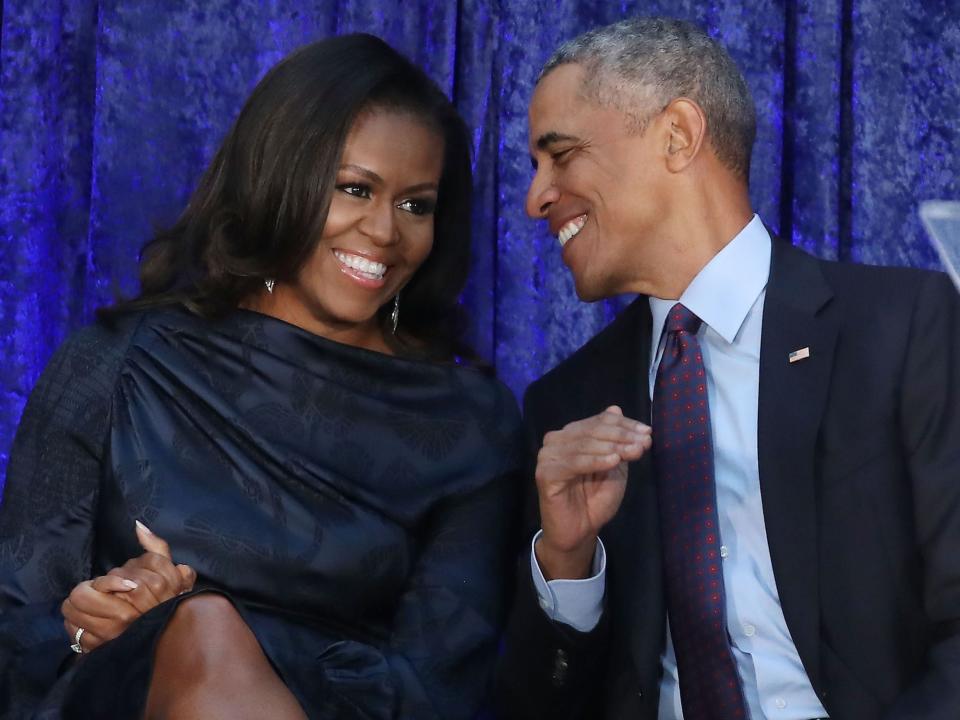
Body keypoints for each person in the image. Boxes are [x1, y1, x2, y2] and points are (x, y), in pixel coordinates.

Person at [0, 33, 523, 720]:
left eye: (414, 204)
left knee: (207, 628)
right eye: (355, 189)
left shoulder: (468, 423)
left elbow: (440, 690)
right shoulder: (118, 361)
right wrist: (98, 621)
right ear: (282, 178)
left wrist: (204, 622)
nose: (384, 232)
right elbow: (17, 632)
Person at [495, 17, 960, 720]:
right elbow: (544, 703)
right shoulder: (567, 405)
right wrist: (567, 560)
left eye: (560, 156)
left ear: (678, 135)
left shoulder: (903, 328)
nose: (535, 198)